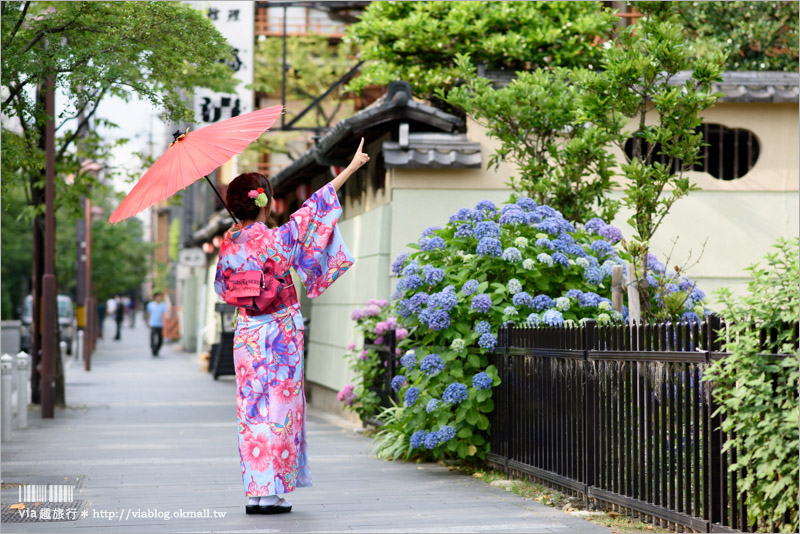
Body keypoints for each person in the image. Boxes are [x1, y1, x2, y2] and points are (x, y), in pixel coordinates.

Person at [214, 139, 369, 515]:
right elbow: (314, 209)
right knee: (281, 410)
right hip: (281, 332)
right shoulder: (278, 238)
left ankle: (256, 492)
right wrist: (350, 168)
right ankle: (273, 493)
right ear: (264, 201)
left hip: (248, 336)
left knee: (251, 412)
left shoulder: (227, 244)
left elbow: (222, 288)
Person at [146, 292, 167, 357]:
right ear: (155, 298)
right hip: (153, 323)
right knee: (152, 337)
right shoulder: (150, 305)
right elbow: (148, 313)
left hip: (160, 324)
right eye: (157, 297)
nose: (159, 298)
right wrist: (147, 321)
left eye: (159, 296)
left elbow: (164, 314)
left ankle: (157, 349)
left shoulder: (162, 305)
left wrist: (165, 323)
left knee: (160, 339)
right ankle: (153, 350)